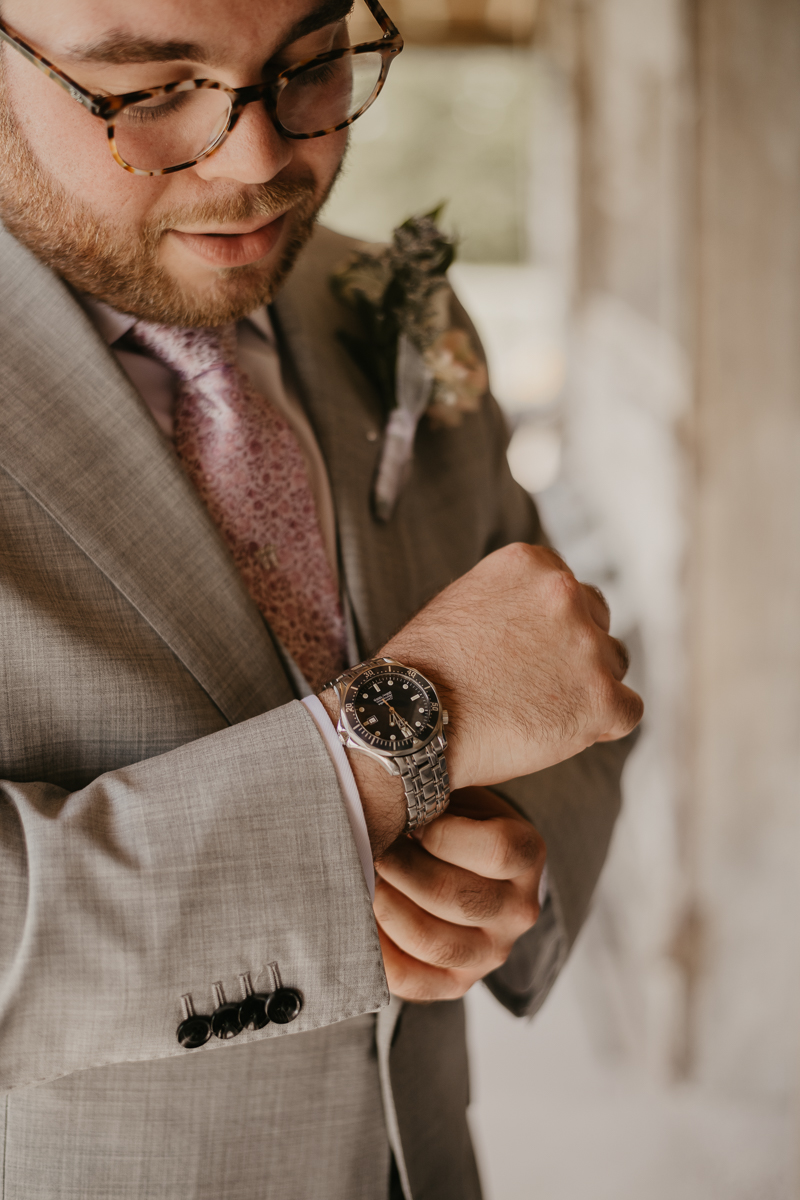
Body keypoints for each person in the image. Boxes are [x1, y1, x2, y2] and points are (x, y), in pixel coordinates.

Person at [0, 0, 643, 1196]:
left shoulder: (394, 306)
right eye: (145, 92)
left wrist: (509, 860)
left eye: (308, 66)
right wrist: (397, 736)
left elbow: (553, 666)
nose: (260, 163)